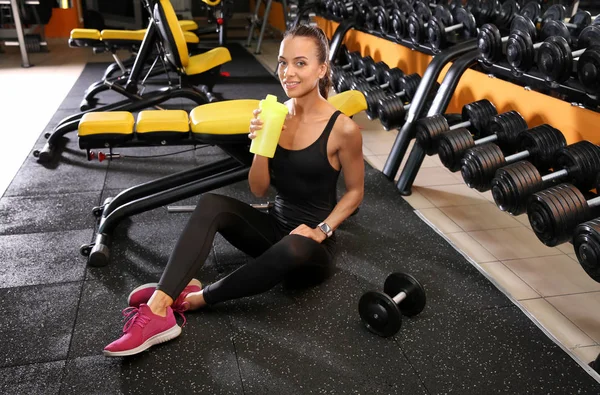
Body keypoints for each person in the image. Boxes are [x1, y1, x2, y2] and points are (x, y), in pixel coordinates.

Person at [103, 24, 365, 357]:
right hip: (274, 228)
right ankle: (161, 304)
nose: (289, 72)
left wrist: (322, 230)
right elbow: (258, 190)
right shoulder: (276, 113)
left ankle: (196, 299)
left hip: (310, 251)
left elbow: (355, 192)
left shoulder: (343, 129)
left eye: (301, 63)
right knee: (213, 203)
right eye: (284, 62)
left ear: (322, 68)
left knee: (293, 248)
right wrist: (260, 144)